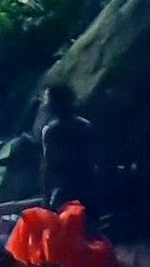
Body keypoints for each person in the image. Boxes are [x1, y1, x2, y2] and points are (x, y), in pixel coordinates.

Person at [35, 83, 102, 214]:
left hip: (65, 191)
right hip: (88, 189)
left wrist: (45, 199)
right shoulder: (85, 126)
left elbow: (47, 167)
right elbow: (95, 159)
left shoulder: (51, 131)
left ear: (53, 105)